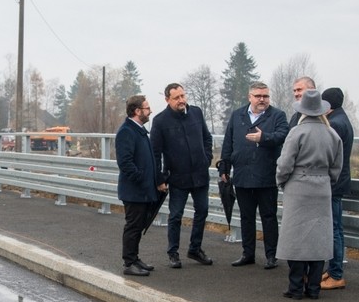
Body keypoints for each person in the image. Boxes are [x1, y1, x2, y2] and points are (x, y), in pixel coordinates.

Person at [275, 89, 343, 300]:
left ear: (303, 110)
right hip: (322, 188)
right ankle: (313, 288)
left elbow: (285, 164)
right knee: (318, 240)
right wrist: (326, 181)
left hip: (298, 188)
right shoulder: (332, 134)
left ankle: (295, 288)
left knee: (296, 240)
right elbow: (337, 167)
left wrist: (281, 181)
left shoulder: (297, 132)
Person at [220, 81, 289, 269]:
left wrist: (263, 137)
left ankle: (271, 256)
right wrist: (224, 167)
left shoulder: (277, 115)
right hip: (242, 175)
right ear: (249, 97)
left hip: (266, 176)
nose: (262, 99)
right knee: (246, 217)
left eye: (265, 96)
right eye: (258, 96)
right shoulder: (238, 115)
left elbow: (283, 135)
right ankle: (247, 253)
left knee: (269, 217)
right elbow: (228, 142)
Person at [151, 83, 214, 269]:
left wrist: (207, 158)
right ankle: (173, 252)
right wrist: (159, 178)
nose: (181, 100)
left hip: (200, 174)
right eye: (176, 98)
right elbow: (155, 153)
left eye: (183, 96)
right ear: (167, 100)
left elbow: (207, 138)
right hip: (177, 177)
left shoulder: (196, 113)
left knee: (202, 211)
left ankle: (195, 249)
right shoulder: (160, 121)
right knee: (176, 215)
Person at [116, 95, 166, 276]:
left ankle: (135, 258)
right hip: (134, 191)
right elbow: (125, 163)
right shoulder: (126, 132)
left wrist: (155, 181)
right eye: (147, 108)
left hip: (143, 190)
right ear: (137, 111)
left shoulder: (139, 130)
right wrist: (142, 179)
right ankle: (129, 263)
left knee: (138, 226)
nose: (150, 111)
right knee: (133, 226)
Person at [320, 87, 355, 291]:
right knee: (336, 229)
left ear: (328, 105)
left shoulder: (335, 124)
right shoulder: (342, 119)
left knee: (333, 230)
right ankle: (333, 269)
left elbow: (329, 156)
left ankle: (335, 274)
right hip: (339, 182)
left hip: (333, 184)